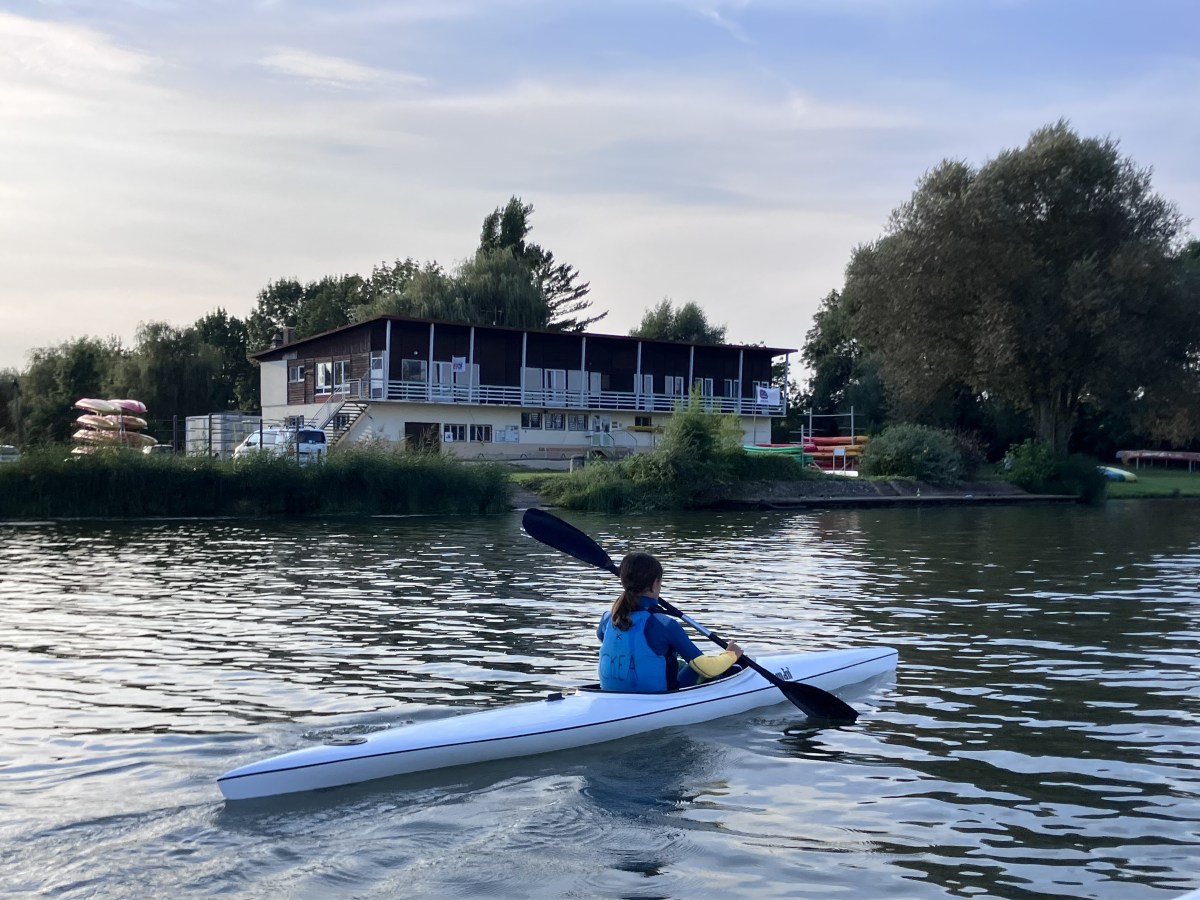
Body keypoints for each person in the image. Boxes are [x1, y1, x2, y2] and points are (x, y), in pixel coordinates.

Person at [597, 550, 743, 692]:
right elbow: (707, 668)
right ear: (655, 583)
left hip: (609, 694)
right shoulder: (664, 624)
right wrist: (731, 654)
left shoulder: (607, 618)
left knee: (675, 662)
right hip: (657, 697)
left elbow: (617, 641)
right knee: (699, 667)